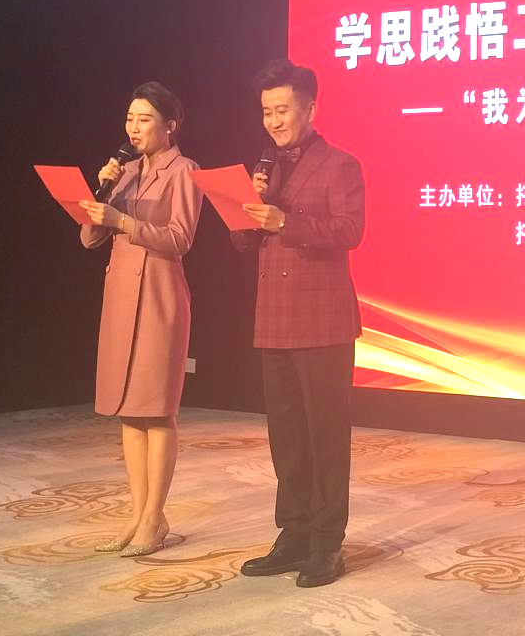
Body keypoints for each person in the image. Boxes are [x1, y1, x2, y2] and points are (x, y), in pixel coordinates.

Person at [232, 59, 365, 588]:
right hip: (274, 317)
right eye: (266, 111)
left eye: (282, 110)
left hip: (323, 320)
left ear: (311, 108)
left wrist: (286, 220)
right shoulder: (265, 168)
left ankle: (327, 543)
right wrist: (249, 206)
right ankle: (293, 533)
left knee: (325, 435)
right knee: (285, 436)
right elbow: (242, 241)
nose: (274, 121)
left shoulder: (340, 164)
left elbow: (350, 230)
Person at [78, 81, 202, 557]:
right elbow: (89, 239)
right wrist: (102, 190)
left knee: (157, 409)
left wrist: (124, 222)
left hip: (159, 297)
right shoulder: (125, 173)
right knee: (129, 411)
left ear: (170, 126)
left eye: (144, 119)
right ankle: (137, 513)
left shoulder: (184, 171)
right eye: (130, 118)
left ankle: (155, 516)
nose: (134, 127)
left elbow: (180, 238)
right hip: (120, 298)